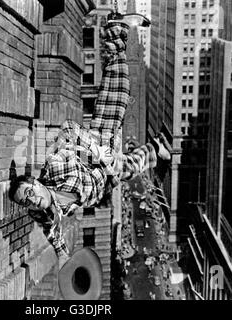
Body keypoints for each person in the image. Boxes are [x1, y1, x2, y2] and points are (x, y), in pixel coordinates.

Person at [9, 18, 172, 268]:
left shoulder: (55, 165)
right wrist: (62, 253)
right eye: (25, 202)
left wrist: (99, 152)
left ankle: (115, 29)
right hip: (103, 184)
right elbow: (51, 232)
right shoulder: (41, 211)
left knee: (118, 88)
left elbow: (70, 129)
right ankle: (154, 149)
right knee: (128, 169)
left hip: (98, 147)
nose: (31, 200)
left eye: (29, 193)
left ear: (35, 182)